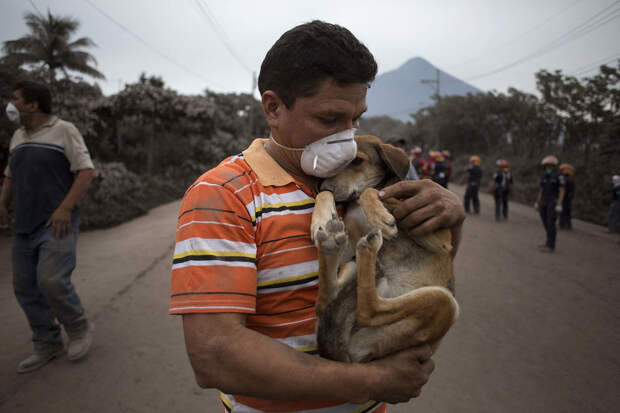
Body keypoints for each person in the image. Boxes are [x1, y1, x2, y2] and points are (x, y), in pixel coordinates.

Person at [169, 21, 465, 413]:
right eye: (329, 120)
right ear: (273, 108)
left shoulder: (366, 175)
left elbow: (422, 269)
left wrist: (450, 218)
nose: (347, 137)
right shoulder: (225, 196)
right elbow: (213, 354)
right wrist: (372, 381)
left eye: (355, 119)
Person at [0, 80, 95, 373]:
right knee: (25, 286)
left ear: (32, 104)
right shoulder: (18, 136)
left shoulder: (63, 130)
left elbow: (86, 171)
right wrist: (2, 203)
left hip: (56, 222)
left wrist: (65, 208)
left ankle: (78, 328)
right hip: (23, 224)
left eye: (16, 99)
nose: (11, 104)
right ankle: (47, 342)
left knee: (51, 280)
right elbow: (11, 176)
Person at [534, 155, 565, 253]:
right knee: (545, 221)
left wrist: (559, 204)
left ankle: (551, 245)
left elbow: (562, 190)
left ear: (554, 166)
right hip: (544, 201)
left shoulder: (559, 177)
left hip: (553, 201)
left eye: (550, 166)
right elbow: (541, 190)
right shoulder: (544, 177)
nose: (548, 167)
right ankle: (548, 241)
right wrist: (537, 202)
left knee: (551, 222)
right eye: (547, 166)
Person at [558, 163, 575, 230]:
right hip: (568, 197)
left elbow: (562, 188)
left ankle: (562, 224)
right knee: (567, 211)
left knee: (564, 210)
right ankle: (568, 225)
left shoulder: (563, 178)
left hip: (565, 196)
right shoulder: (570, 179)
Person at [608, 175, 620, 243]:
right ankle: (611, 229)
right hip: (615, 202)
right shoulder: (616, 186)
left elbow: (618, 194)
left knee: (614, 215)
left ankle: (612, 229)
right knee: (611, 215)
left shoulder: (618, 187)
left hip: (617, 203)